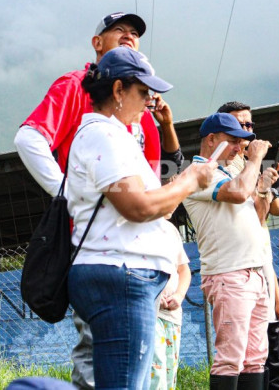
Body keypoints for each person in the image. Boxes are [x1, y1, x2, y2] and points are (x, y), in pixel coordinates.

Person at [14, 12, 183, 389]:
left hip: (133, 252)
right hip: (107, 254)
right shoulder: (78, 88)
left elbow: (159, 185)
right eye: (119, 30)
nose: (129, 36)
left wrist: (167, 129)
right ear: (97, 44)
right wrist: (67, 193)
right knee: (105, 368)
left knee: (125, 368)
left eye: (135, 33)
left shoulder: (141, 118)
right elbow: (28, 138)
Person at [65, 46, 214, 389]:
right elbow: (139, 207)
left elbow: (149, 205)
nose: (150, 101)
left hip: (124, 276)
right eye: (143, 91)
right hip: (122, 276)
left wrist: (180, 184)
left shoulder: (114, 136)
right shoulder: (103, 135)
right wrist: (189, 180)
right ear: (118, 90)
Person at [182, 113, 279, 390]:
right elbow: (237, 193)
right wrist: (254, 161)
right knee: (230, 359)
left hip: (254, 271)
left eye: (242, 142)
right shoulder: (199, 172)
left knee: (255, 359)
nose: (239, 148)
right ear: (211, 139)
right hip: (229, 273)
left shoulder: (228, 173)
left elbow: (259, 218)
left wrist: (262, 190)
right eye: (233, 141)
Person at [216, 101, 279, 390]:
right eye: (239, 125)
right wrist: (258, 180)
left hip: (261, 268)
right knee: (234, 357)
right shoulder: (221, 168)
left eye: (249, 125)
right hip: (236, 271)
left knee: (266, 357)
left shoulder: (248, 164)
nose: (246, 132)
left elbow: (275, 210)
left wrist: (266, 184)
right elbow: (254, 212)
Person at [149, 222, 190, 390]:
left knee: (169, 374)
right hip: (150, 313)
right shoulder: (141, 226)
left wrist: (179, 295)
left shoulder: (171, 230)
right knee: (154, 372)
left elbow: (184, 271)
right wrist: (155, 296)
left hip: (173, 315)